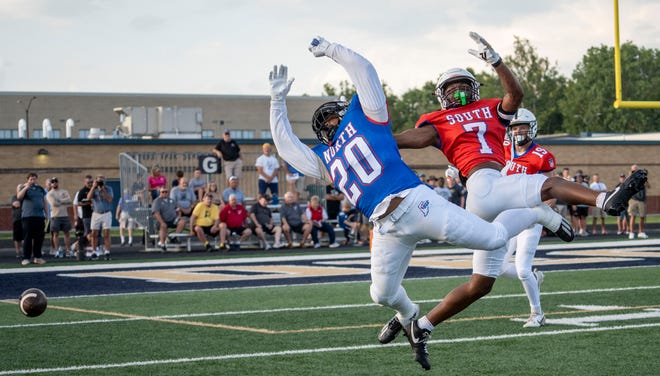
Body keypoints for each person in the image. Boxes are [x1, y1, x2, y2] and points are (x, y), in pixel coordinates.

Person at [269, 38, 562, 371]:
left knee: (494, 239)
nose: (333, 125)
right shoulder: (324, 160)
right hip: (384, 226)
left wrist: (332, 50)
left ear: (345, 112)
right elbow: (287, 148)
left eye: (334, 117)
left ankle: (536, 211)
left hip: (416, 202)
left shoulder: (368, 117)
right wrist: (277, 102)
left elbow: (364, 71)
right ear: (322, 135)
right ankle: (409, 315)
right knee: (380, 294)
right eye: (326, 126)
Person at [393, 31, 648, 369]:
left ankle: (423, 327)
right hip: (484, 185)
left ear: (474, 88)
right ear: (441, 95)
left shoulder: (489, 109)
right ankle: (604, 201)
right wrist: (370, 135)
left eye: (463, 85)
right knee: (550, 185)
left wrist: (497, 61)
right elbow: (403, 139)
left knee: (481, 284)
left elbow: (516, 93)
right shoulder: (436, 121)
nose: (458, 91)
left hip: (490, 195)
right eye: (451, 87)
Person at [500, 108, 555, 328]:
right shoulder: (505, 147)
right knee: (499, 268)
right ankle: (534, 277)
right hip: (508, 215)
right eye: (515, 127)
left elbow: (552, 191)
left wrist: (541, 211)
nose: (518, 130)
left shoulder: (541, 156)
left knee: (522, 269)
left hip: (529, 218)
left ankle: (537, 314)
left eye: (522, 126)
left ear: (531, 128)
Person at [16, 172, 47, 266]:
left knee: (39, 238)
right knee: (27, 238)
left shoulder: (40, 189)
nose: (32, 181)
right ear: (28, 179)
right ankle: (26, 258)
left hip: (39, 216)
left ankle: (37, 257)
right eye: (31, 179)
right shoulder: (23, 187)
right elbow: (19, 197)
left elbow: (44, 201)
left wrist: (46, 214)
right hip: (28, 217)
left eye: (34, 179)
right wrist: (26, 187)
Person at [151, 187, 188, 252]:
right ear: (160, 193)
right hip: (161, 220)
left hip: (172, 220)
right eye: (163, 192)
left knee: (183, 221)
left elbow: (178, 209)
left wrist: (178, 216)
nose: (165, 193)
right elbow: (156, 213)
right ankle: (163, 244)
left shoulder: (171, 200)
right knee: (163, 225)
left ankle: (173, 237)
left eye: (166, 192)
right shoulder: (157, 201)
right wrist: (162, 222)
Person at [87, 175, 114, 260]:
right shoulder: (94, 189)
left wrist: (103, 190)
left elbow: (110, 199)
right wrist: (93, 187)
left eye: (102, 181)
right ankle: (94, 251)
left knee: (106, 233)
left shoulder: (109, 188)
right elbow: (88, 198)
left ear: (105, 181)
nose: (100, 183)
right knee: (94, 233)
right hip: (96, 213)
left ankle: (107, 252)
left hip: (106, 213)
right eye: (99, 181)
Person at [46, 177, 73, 258]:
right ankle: (57, 250)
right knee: (55, 234)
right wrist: (63, 200)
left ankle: (68, 250)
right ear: (51, 184)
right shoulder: (49, 194)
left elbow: (69, 200)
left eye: (56, 182)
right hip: (55, 216)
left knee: (67, 233)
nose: (54, 183)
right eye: (53, 182)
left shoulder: (64, 191)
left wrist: (59, 200)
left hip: (64, 215)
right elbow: (53, 203)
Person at [628, 164, 650, 239]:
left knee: (642, 216)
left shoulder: (642, 177)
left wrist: (644, 178)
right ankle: (631, 232)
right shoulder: (630, 177)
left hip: (641, 200)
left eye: (636, 169)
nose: (635, 171)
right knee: (632, 216)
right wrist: (631, 174)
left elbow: (648, 186)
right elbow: (628, 183)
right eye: (633, 170)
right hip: (633, 199)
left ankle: (641, 232)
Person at [11, 194, 23, 258]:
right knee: (17, 237)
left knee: (26, 237)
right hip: (17, 219)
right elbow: (16, 204)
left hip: (26, 219)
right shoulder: (15, 197)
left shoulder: (26, 196)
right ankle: (18, 252)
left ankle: (26, 251)